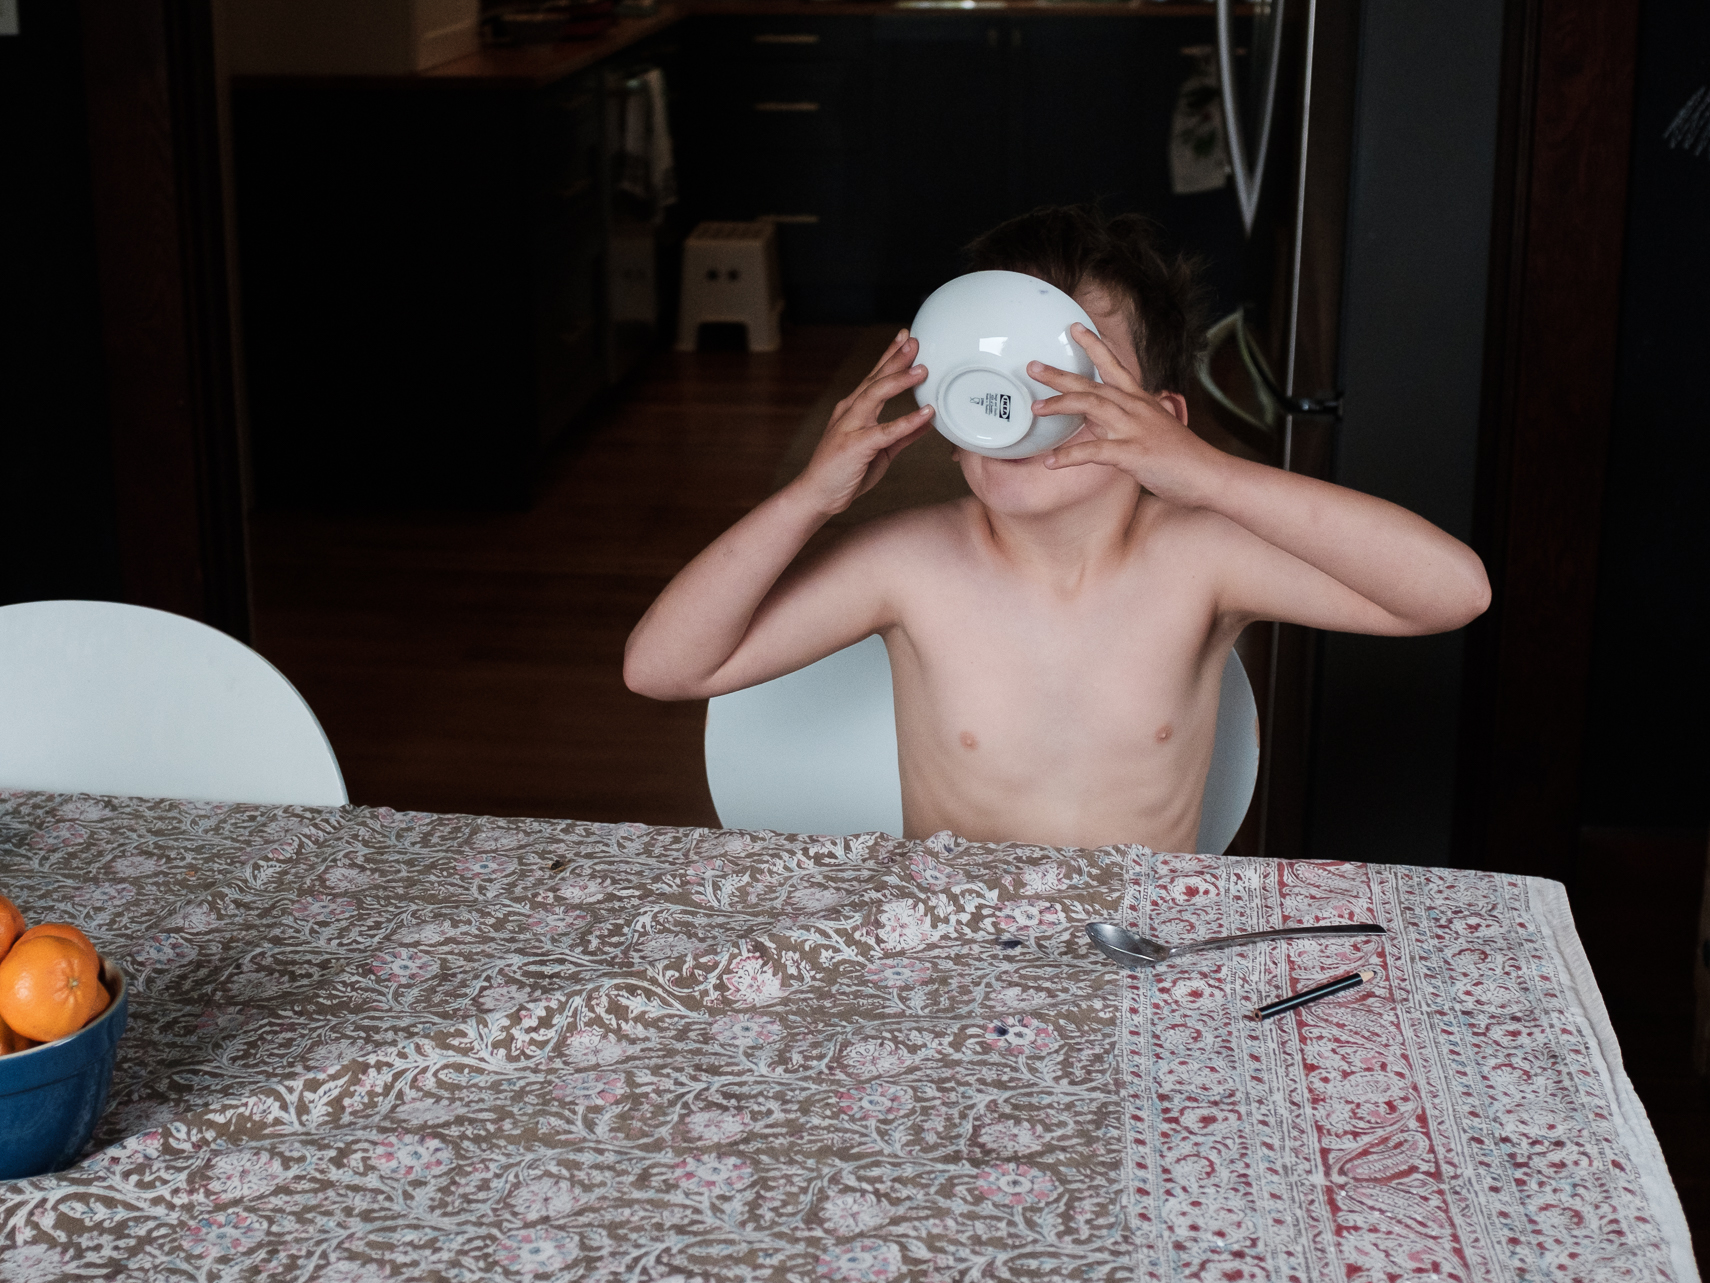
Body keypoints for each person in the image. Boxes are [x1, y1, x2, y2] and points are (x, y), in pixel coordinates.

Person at [623, 204, 1490, 851]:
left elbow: (1451, 593)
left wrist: (1208, 475)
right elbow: (665, 667)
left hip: (1142, 956)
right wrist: (810, 495)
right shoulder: (910, 564)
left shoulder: (1199, 560)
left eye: (1073, 375)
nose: (1023, 406)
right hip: (956, 955)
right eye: (992, 373)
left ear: (1159, 417)